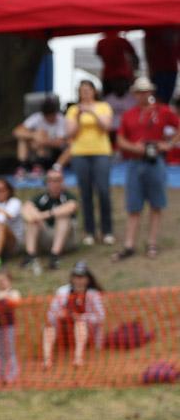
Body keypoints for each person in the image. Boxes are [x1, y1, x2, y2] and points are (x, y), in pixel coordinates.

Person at [112, 76, 180, 261]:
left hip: (154, 161)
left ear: (151, 92)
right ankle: (129, 243)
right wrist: (134, 147)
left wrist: (169, 145)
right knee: (133, 205)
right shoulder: (128, 114)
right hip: (134, 162)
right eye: (140, 92)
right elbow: (120, 139)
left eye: (146, 91)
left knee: (156, 204)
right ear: (135, 94)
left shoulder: (162, 111)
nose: (143, 95)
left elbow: (178, 126)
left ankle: (152, 242)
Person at [66, 79, 114, 246]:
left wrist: (92, 112)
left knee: (103, 191)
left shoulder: (103, 107)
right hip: (80, 153)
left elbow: (106, 127)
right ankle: (89, 231)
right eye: (82, 90)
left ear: (94, 91)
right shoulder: (73, 109)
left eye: (88, 90)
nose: (85, 93)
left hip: (101, 152)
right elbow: (70, 133)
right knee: (85, 192)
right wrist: (79, 117)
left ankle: (107, 230)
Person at [43, 261, 105, 369]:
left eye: (81, 277)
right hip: (65, 331)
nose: (78, 280)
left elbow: (101, 317)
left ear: (87, 279)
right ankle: (47, 359)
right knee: (49, 326)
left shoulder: (93, 294)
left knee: (79, 324)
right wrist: (59, 315)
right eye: (76, 276)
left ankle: (78, 358)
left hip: (86, 332)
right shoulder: (62, 292)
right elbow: (50, 314)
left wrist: (79, 317)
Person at [21, 168, 78, 272]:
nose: (53, 183)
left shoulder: (68, 196)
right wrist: (33, 215)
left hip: (67, 240)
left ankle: (55, 255)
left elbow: (71, 207)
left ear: (62, 181)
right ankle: (30, 254)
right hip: (46, 237)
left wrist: (45, 214)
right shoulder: (42, 197)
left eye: (57, 180)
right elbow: (26, 207)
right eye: (50, 180)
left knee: (62, 217)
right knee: (31, 220)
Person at [12, 96, 69, 179]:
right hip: (34, 148)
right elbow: (17, 131)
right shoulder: (37, 117)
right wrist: (34, 135)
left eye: (52, 116)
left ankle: (39, 166)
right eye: (48, 117)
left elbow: (61, 143)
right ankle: (22, 167)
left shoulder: (61, 120)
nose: (51, 119)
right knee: (24, 138)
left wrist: (46, 140)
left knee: (42, 134)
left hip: (51, 151)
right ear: (44, 115)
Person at [0, 268, 21, 384]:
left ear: (9, 280)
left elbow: (16, 301)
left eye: (3, 280)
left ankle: (11, 373)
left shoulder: (13, 292)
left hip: (9, 326)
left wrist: (4, 299)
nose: (1, 283)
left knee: (9, 350)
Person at [95, 31, 138, 97]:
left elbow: (99, 55)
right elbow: (134, 56)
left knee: (108, 98)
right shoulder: (122, 40)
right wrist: (133, 70)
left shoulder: (101, 43)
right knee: (127, 98)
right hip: (123, 74)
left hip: (109, 75)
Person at [144, 27, 180, 105]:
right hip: (158, 68)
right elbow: (147, 47)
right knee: (159, 97)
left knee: (169, 97)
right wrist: (150, 68)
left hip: (172, 68)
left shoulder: (177, 26)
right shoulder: (154, 26)